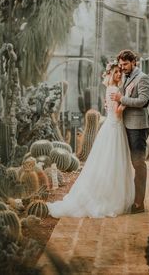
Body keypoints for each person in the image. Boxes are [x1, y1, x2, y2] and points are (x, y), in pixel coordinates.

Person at [47, 61, 134, 218]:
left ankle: (109, 193)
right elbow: (118, 112)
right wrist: (126, 100)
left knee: (110, 163)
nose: (118, 74)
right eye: (115, 72)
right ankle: (108, 197)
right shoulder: (114, 89)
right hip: (114, 127)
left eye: (119, 72)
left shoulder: (111, 89)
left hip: (113, 126)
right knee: (112, 162)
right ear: (109, 74)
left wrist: (123, 99)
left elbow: (111, 109)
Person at [111, 49, 149, 214]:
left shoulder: (143, 78)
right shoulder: (125, 77)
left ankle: (139, 204)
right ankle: (128, 198)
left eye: (125, 64)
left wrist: (122, 99)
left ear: (134, 62)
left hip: (138, 127)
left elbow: (143, 101)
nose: (123, 67)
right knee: (127, 163)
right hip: (125, 124)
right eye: (121, 64)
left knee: (138, 163)